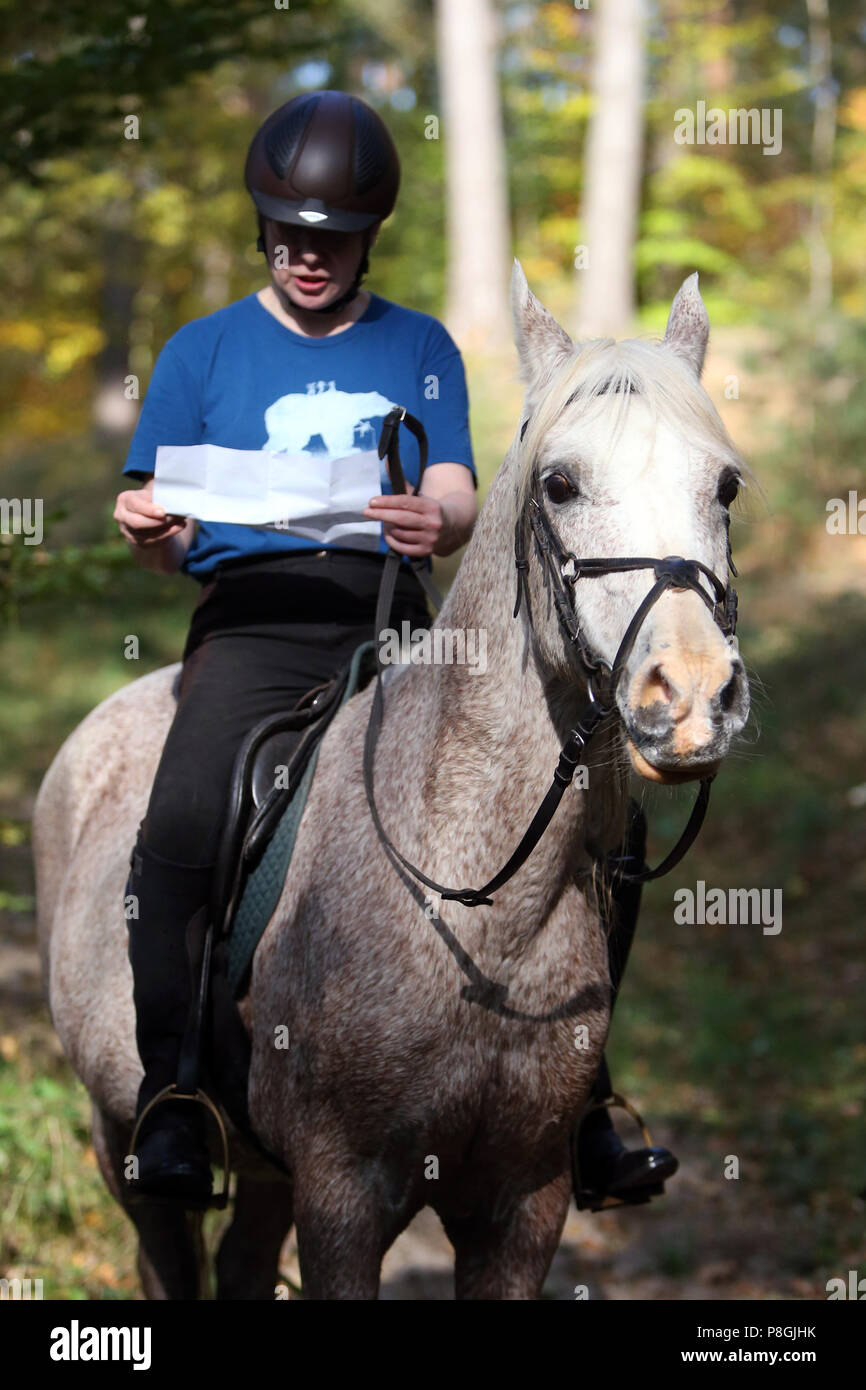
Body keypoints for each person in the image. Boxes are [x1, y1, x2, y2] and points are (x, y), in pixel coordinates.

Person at [113, 88, 675, 1209]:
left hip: (397, 623)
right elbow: (155, 525)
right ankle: (174, 1089)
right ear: (261, 224)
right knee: (181, 817)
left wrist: (439, 520)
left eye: (331, 237)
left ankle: (586, 1094)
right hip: (252, 622)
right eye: (288, 231)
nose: (308, 253)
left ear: (367, 237)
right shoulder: (199, 349)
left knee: (602, 815)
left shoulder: (417, 344)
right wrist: (153, 530)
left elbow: (457, 486)